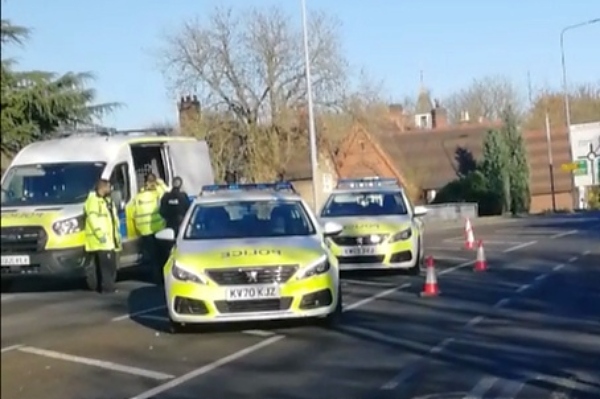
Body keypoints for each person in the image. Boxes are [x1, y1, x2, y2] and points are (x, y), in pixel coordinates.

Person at [83, 179, 121, 293]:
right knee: (106, 267)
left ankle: (106, 286)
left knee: (110, 265)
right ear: (102, 188)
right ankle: (107, 288)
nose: (110, 190)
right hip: (100, 240)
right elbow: (93, 219)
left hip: (109, 239)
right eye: (108, 187)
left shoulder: (106, 201)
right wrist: (100, 234)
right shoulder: (93, 201)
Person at [133, 173, 166, 284]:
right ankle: (160, 279)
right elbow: (169, 193)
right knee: (159, 256)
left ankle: (157, 278)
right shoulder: (156, 193)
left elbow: (134, 213)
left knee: (154, 257)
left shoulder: (139, 196)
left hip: (149, 230)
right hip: (155, 230)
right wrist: (161, 183)